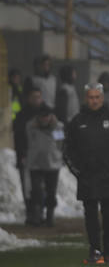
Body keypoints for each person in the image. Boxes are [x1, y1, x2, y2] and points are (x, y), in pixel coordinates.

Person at [63, 82, 109, 265]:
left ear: (102, 98)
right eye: (91, 97)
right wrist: (78, 171)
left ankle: (108, 250)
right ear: (86, 99)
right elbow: (68, 150)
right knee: (90, 215)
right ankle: (95, 250)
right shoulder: (77, 122)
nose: (94, 101)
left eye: (97, 97)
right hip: (87, 177)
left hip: (108, 177)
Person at [25, 103, 64, 226]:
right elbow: (28, 140)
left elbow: (60, 143)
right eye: (42, 116)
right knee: (36, 191)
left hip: (52, 164)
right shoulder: (30, 126)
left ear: (51, 116)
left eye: (47, 116)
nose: (44, 119)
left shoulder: (58, 127)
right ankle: (37, 215)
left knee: (51, 191)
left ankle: (50, 216)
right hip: (35, 164)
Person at [12, 84, 45, 224]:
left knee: (41, 187)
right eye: (34, 97)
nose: (36, 100)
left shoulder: (46, 113)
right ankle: (30, 213)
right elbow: (18, 137)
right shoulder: (22, 116)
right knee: (28, 188)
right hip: (26, 156)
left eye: (38, 97)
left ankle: (40, 213)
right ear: (28, 98)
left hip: (43, 158)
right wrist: (21, 155)